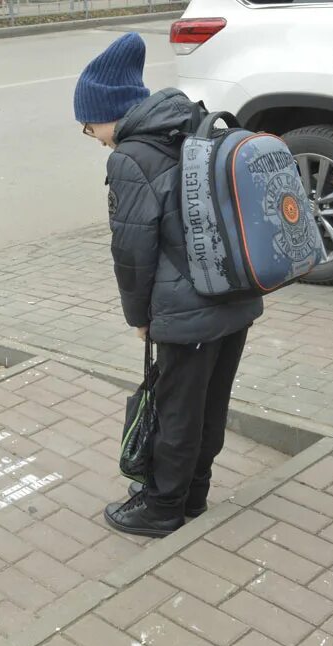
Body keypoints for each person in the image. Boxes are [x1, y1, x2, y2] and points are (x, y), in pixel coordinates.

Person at [74, 32, 264, 538]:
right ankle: (193, 495)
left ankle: (161, 509)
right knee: (209, 403)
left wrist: (139, 318)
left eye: (87, 125)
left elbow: (132, 254)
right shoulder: (191, 125)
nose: (91, 136)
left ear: (108, 113)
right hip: (238, 294)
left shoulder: (131, 157)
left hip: (187, 311)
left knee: (177, 409)